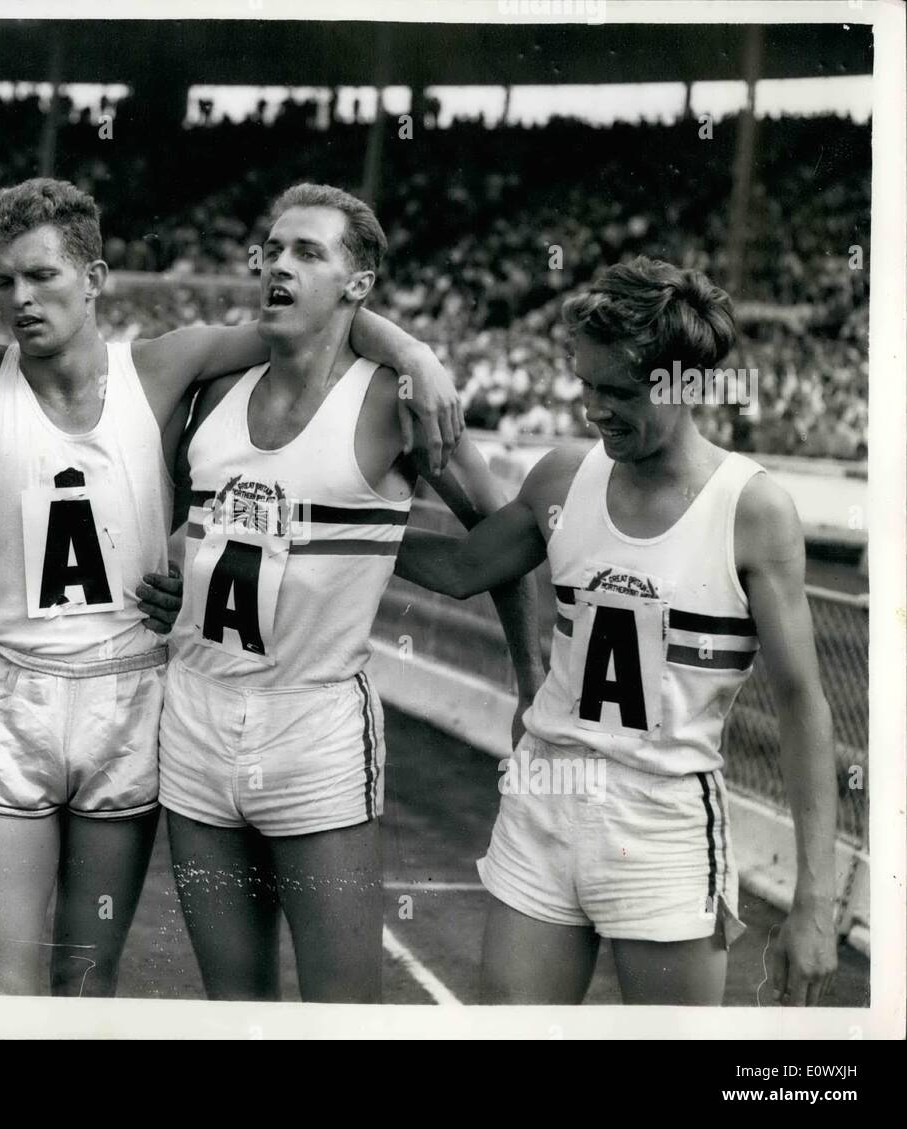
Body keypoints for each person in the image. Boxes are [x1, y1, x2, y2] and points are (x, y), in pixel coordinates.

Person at [0, 177, 463, 996]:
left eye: (43, 276)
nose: (19, 300)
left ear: (94, 279)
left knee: (88, 981)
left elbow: (310, 316)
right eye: (1, 281)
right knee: (2, 988)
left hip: (126, 702)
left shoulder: (167, 368)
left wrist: (414, 352)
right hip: (11, 700)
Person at [394, 257, 839, 1005]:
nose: (596, 411)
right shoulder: (566, 476)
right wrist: (337, 519)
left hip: (663, 823)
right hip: (544, 802)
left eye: (621, 392)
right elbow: (463, 568)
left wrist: (815, 903)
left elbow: (803, 708)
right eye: (587, 386)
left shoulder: (751, 510)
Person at [160, 183, 542, 1003]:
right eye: (272, 247)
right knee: (235, 1009)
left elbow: (508, 537)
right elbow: (193, 533)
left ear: (357, 283)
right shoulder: (213, 390)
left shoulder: (393, 401)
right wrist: (176, 591)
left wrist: (531, 683)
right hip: (191, 717)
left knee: (342, 1012)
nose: (277, 264)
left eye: (308, 252)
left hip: (316, 730)